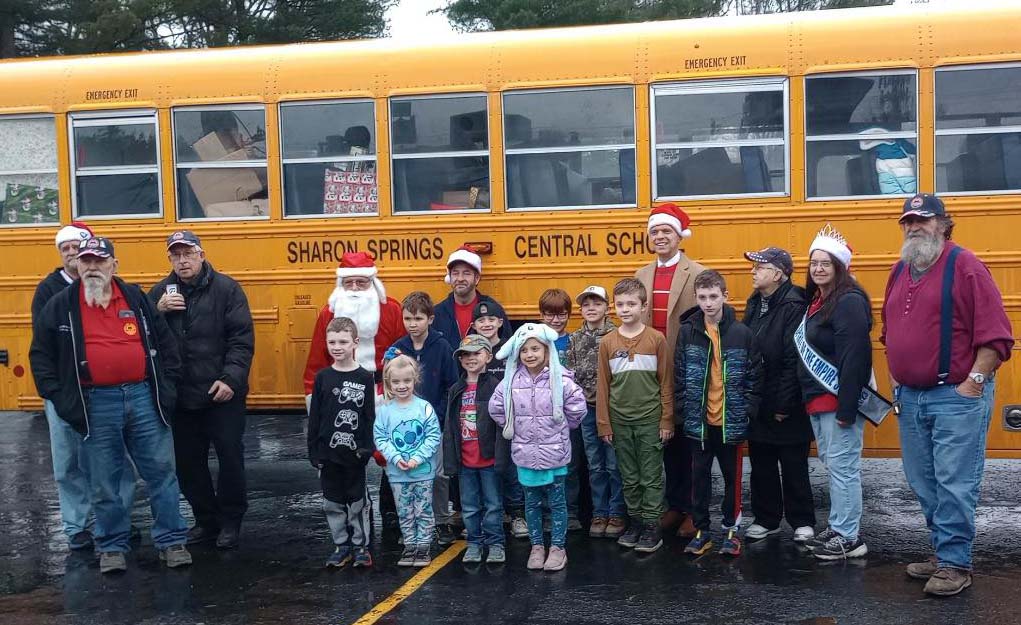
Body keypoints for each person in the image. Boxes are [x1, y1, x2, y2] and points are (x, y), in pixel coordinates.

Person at [30, 236, 191, 574]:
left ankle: (172, 541)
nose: (91, 267)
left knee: (161, 472)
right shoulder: (61, 304)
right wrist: (63, 401)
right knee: (102, 480)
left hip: (143, 397)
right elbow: (41, 357)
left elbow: (165, 342)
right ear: (77, 264)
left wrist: (168, 388)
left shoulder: (134, 297)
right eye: (85, 261)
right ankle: (112, 546)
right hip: (94, 403)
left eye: (99, 261)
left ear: (114, 265)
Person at [881, 194, 1014, 596]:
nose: (914, 226)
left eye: (923, 220)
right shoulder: (900, 268)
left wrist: (972, 382)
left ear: (943, 224)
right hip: (912, 396)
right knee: (924, 483)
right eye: (908, 221)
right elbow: (890, 331)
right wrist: (896, 378)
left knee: (955, 482)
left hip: (955, 396)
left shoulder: (966, 265)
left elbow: (996, 335)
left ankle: (956, 564)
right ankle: (942, 553)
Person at [31, 222, 135, 552]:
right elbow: (43, 348)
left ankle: (120, 521)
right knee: (69, 463)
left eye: (78, 247)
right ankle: (77, 526)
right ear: (62, 255)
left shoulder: (113, 286)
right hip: (66, 392)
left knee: (116, 460)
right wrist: (53, 392)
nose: (73, 253)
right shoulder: (49, 291)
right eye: (66, 249)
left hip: (105, 392)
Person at [149, 230, 254, 549]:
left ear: (201, 255)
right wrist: (158, 311)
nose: (182, 261)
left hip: (221, 395)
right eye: (175, 255)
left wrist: (231, 379)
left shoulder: (227, 289)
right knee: (187, 464)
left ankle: (230, 522)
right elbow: (142, 339)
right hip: (180, 397)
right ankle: (206, 520)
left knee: (230, 459)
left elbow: (241, 340)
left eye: (188, 254)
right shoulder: (158, 294)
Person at [303, 251, 403, 527]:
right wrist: (315, 400)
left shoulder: (391, 310)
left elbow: (402, 358)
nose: (356, 289)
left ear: (373, 283)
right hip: (341, 398)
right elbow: (316, 360)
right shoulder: (328, 314)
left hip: (383, 389)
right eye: (350, 284)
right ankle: (354, 522)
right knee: (345, 456)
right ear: (341, 286)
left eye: (362, 282)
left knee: (392, 453)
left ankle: (392, 509)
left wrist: (396, 394)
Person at [796, 224, 872, 561]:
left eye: (826, 263)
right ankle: (839, 525)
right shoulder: (819, 301)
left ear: (840, 266)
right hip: (818, 400)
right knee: (834, 465)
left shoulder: (849, 301)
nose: (818, 268)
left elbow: (855, 357)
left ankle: (849, 537)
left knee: (843, 468)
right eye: (814, 263)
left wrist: (847, 408)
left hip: (838, 400)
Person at [675, 270, 762, 557]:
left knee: (731, 479)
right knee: (698, 479)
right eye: (702, 297)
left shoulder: (742, 333)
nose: (708, 303)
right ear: (696, 298)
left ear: (725, 296)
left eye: (714, 297)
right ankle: (702, 532)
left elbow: (754, 376)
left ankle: (731, 530)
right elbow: (679, 375)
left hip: (730, 421)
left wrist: (748, 411)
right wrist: (682, 409)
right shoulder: (688, 331)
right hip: (699, 422)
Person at [489, 323, 586, 572]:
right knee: (531, 502)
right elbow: (496, 407)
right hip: (525, 454)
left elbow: (577, 405)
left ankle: (557, 547)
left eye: (535, 349)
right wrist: (513, 425)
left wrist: (564, 426)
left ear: (547, 350)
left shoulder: (560, 378)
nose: (530, 354)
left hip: (555, 453)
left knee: (557, 502)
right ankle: (537, 546)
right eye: (524, 350)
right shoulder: (511, 380)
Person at [635, 203, 704, 538]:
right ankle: (675, 504)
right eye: (655, 232)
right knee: (667, 440)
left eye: (667, 232)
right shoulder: (641, 275)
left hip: (685, 368)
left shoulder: (698, 273)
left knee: (691, 441)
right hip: (650, 370)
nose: (660, 237)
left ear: (679, 236)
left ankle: (694, 509)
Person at [741, 247, 816, 544]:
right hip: (759, 399)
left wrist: (784, 404)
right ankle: (766, 518)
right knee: (761, 464)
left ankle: (802, 520)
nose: (753, 271)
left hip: (786, 403)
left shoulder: (794, 304)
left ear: (778, 273)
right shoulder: (755, 302)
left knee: (793, 463)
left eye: (759, 267)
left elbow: (792, 358)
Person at [596, 279, 673, 553]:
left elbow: (665, 382)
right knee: (627, 475)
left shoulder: (656, 339)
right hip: (619, 420)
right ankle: (636, 521)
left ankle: (653, 524)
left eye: (631, 304)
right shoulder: (607, 342)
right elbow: (603, 386)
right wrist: (604, 422)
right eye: (620, 304)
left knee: (650, 475)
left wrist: (666, 419)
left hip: (650, 419)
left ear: (644, 306)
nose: (625, 309)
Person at [387, 291, 460, 545]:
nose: (412, 324)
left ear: (430, 319)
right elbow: (388, 387)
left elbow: (451, 386)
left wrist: (437, 417)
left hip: (433, 425)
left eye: (418, 318)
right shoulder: (397, 350)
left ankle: (440, 521)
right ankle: (413, 523)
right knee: (410, 475)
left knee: (437, 475)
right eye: (407, 319)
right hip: (405, 427)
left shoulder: (442, 347)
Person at [308, 317, 375, 569]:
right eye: (332, 341)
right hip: (328, 454)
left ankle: (361, 546)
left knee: (357, 501)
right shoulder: (322, 377)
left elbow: (369, 416)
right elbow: (315, 417)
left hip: (354, 455)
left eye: (343, 341)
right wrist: (314, 452)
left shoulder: (364, 377)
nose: (337, 346)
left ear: (355, 343)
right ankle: (341, 545)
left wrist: (366, 449)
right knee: (332, 502)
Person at [566, 285, 625, 539]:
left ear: (607, 307)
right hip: (586, 410)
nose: (591, 308)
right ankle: (599, 512)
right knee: (595, 464)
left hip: (611, 408)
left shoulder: (616, 335)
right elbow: (570, 373)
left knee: (614, 463)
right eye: (586, 304)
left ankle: (617, 512)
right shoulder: (575, 338)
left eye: (597, 303)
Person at [443, 334, 505, 564]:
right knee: (469, 507)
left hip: (489, 460)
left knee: (493, 505)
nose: (470, 358)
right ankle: (474, 543)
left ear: (488, 356)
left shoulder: (496, 387)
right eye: (465, 355)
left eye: (476, 353)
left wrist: (502, 458)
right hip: (465, 461)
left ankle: (496, 543)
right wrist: (451, 461)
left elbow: (502, 426)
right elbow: (449, 429)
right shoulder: (455, 389)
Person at [374, 355, 441, 568]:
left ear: (415, 380)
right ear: (388, 383)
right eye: (396, 382)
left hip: (422, 472)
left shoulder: (424, 408)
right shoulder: (384, 411)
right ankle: (410, 544)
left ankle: (423, 545)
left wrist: (416, 458)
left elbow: (433, 436)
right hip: (396, 474)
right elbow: (380, 437)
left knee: (423, 509)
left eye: (406, 381)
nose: (402, 386)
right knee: (404, 510)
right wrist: (394, 458)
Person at [472, 299, 524, 536]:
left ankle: (517, 513)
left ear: (500, 322)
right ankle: (493, 511)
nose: (486, 324)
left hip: (508, 419)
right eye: (481, 320)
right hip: (482, 421)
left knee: (511, 467)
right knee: (488, 468)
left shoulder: (510, 350)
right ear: (473, 325)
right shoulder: (471, 351)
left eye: (491, 319)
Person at [538, 288, 583, 531]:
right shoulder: (536, 342)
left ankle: (571, 512)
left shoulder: (573, 341)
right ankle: (547, 512)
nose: (555, 320)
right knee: (543, 464)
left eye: (561, 314)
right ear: (541, 315)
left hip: (566, 415)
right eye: (549, 314)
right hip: (540, 414)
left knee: (570, 465)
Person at [434, 245, 512, 343]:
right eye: (455, 273)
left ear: (477, 278)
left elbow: (506, 346)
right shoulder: (438, 313)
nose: (460, 278)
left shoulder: (494, 309)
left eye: (466, 273)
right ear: (449, 277)